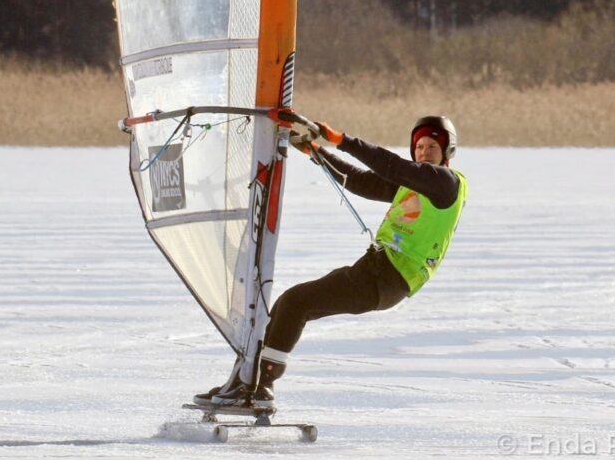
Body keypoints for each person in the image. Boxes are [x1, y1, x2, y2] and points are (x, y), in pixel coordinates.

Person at [194, 115, 468, 409]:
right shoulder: (412, 184)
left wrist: (343, 141)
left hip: (387, 278)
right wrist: (316, 152)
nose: (424, 153)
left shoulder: (445, 184)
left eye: (432, 147)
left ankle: (261, 387)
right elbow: (361, 182)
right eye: (420, 147)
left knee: (296, 303)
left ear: (447, 152)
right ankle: (246, 381)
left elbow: (393, 166)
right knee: (289, 303)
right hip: (375, 272)